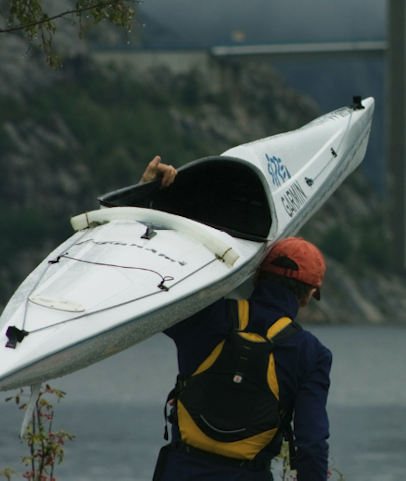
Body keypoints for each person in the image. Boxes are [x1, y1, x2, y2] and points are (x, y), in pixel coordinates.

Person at [142, 156, 333, 481]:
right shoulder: (310, 354)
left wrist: (150, 197)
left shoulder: (205, 316)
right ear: (306, 297)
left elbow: (151, 276)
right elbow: (312, 446)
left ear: (256, 276)